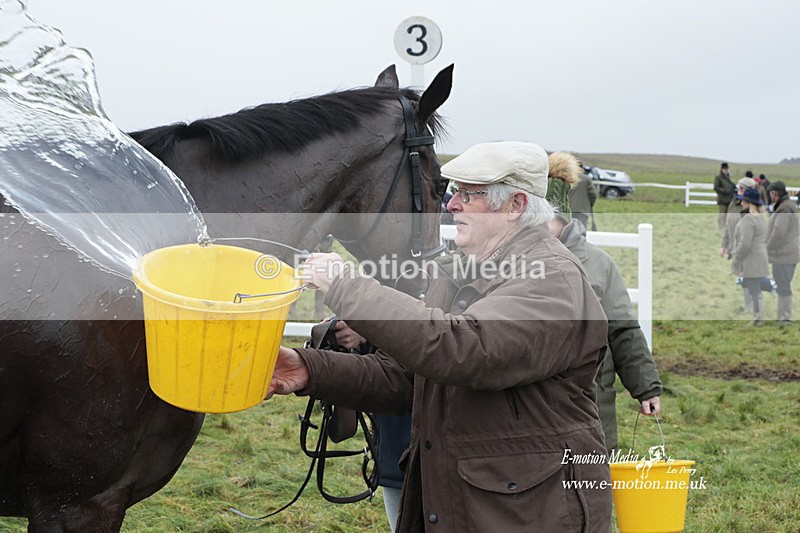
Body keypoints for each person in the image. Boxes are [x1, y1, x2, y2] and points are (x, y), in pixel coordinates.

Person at [267, 141, 612, 532]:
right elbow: (408, 378)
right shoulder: (463, 272)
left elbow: (464, 348)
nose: (451, 205)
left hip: (532, 513)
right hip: (471, 504)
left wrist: (347, 287)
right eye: (454, 192)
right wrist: (308, 370)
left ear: (516, 205)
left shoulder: (552, 278)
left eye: (468, 195)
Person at [546, 151, 662, 451]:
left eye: (544, 219)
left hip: (592, 406)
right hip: (534, 411)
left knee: (589, 483)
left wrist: (645, 387)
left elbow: (623, 329)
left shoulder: (599, 265)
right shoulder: (515, 261)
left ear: (561, 217)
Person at [730, 187, 769, 326]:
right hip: (760, 256)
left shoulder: (748, 220)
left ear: (748, 203)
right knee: (756, 289)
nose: (741, 204)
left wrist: (736, 259)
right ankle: (758, 317)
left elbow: (745, 243)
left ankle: (758, 318)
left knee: (754, 290)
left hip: (751, 259)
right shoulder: (761, 218)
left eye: (743, 201)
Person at [721, 176, 758, 312]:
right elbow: (728, 224)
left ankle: (753, 307)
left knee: (749, 277)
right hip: (735, 246)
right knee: (743, 277)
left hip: (747, 248)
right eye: (739, 188)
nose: (738, 190)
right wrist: (724, 244)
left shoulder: (752, 208)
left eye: (741, 188)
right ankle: (749, 305)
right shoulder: (735, 203)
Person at [766, 181, 799, 324]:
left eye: (771, 194)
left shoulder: (784, 209)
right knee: (781, 284)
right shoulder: (786, 206)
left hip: (784, 254)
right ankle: (781, 317)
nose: (770, 197)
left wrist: (769, 247)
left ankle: (785, 318)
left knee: (783, 285)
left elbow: (779, 232)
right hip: (787, 252)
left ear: (775, 193)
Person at [569, 164, 597, 231]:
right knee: (581, 231)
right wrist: (590, 204)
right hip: (583, 210)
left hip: (570, 209)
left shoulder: (568, 178)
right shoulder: (586, 178)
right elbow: (593, 194)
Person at [714, 162, 735, 231]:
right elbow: (716, 187)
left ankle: (725, 228)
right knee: (722, 215)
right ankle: (720, 228)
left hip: (729, 199)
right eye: (724, 169)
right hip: (723, 199)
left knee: (727, 215)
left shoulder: (728, 177)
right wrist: (724, 190)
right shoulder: (718, 178)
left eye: (727, 169)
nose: (726, 170)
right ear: (721, 169)